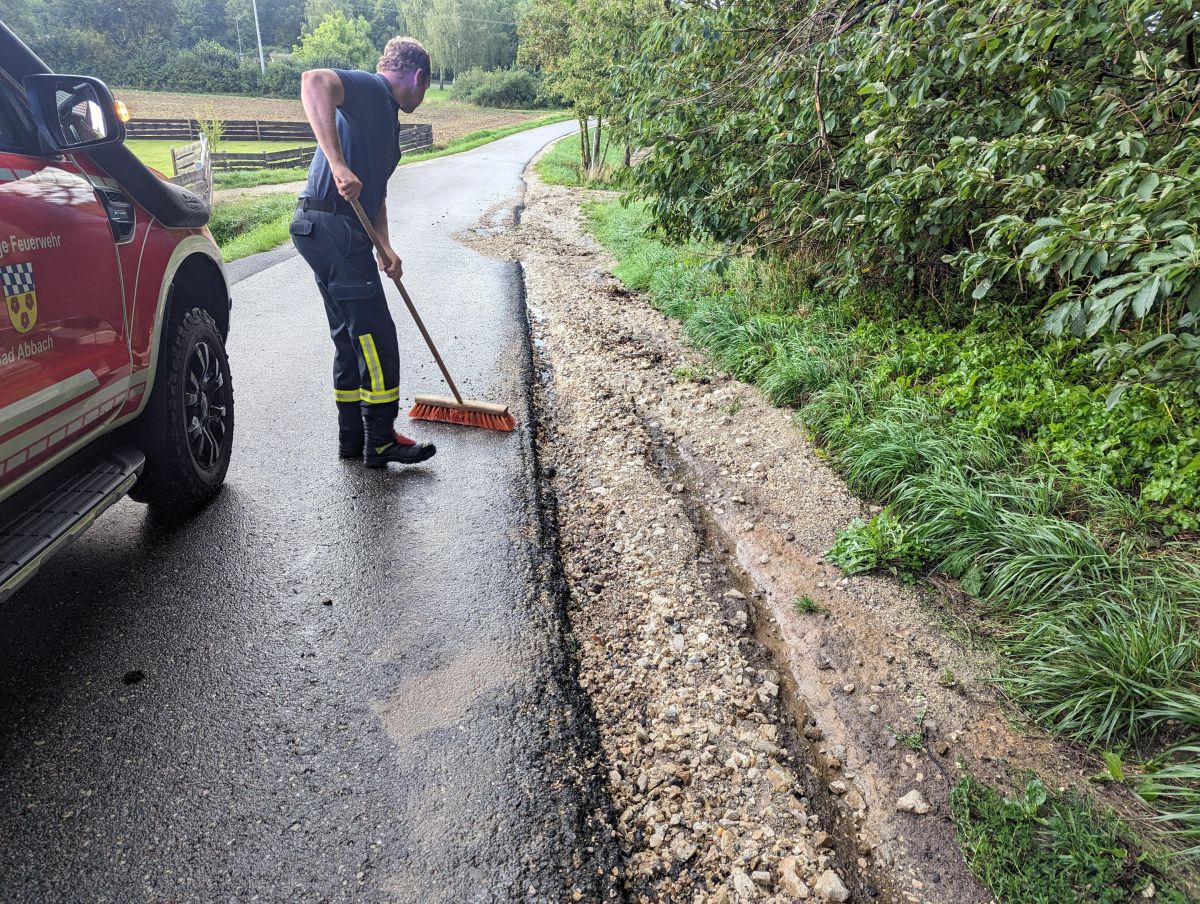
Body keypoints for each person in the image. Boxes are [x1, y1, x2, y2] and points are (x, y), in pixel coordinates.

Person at [290, 37, 437, 468]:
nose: (424, 98)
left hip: (327, 228)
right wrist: (336, 164)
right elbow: (313, 81)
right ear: (418, 76)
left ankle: (353, 438)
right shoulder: (373, 91)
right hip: (333, 226)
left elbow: (376, 195)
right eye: (426, 89)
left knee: (351, 337)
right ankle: (381, 439)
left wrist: (385, 246)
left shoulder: (385, 120)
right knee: (377, 336)